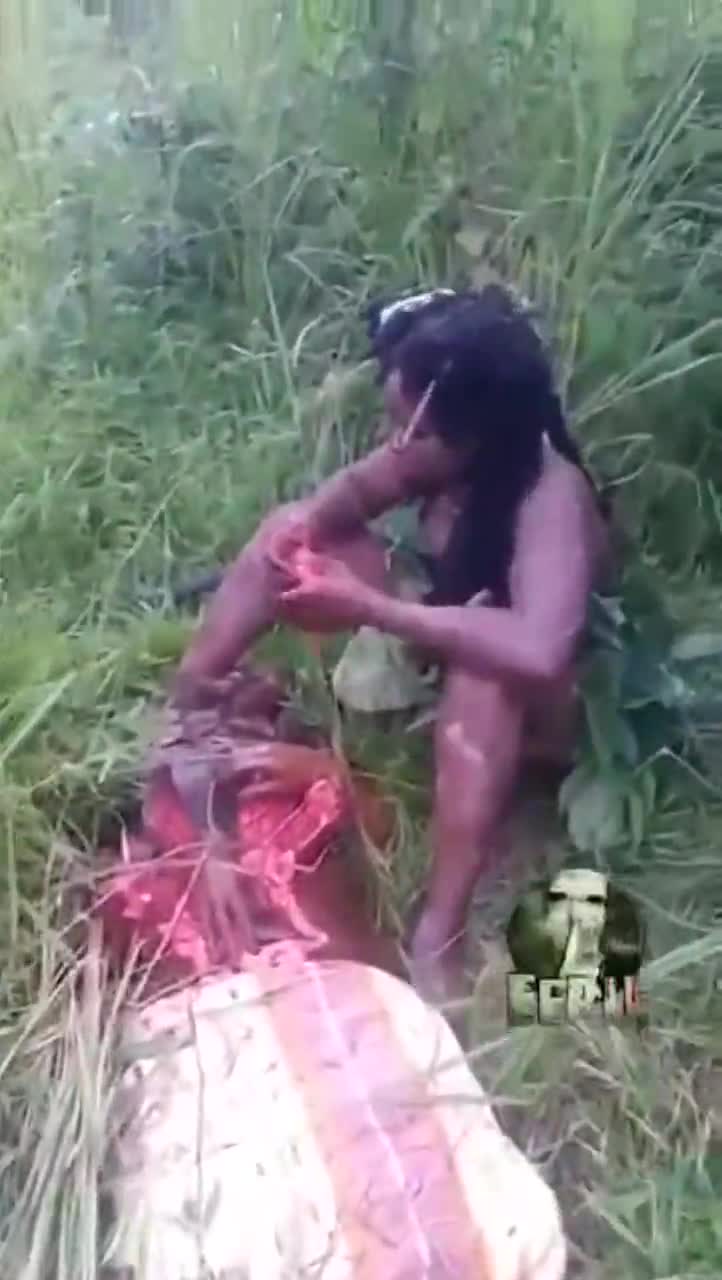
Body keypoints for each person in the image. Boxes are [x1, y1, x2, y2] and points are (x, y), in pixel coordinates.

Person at [172, 285, 610, 1000]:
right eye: (396, 423)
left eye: (416, 432)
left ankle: (441, 931)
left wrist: (369, 607)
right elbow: (344, 500)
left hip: (546, 704)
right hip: (446, 624)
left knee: (484, 679)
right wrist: (298, 546)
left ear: (474, 437)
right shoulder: (431, 450)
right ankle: (187, 709)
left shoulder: (550, 497)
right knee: (287, 531)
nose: (398, 444)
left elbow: (539, 651)